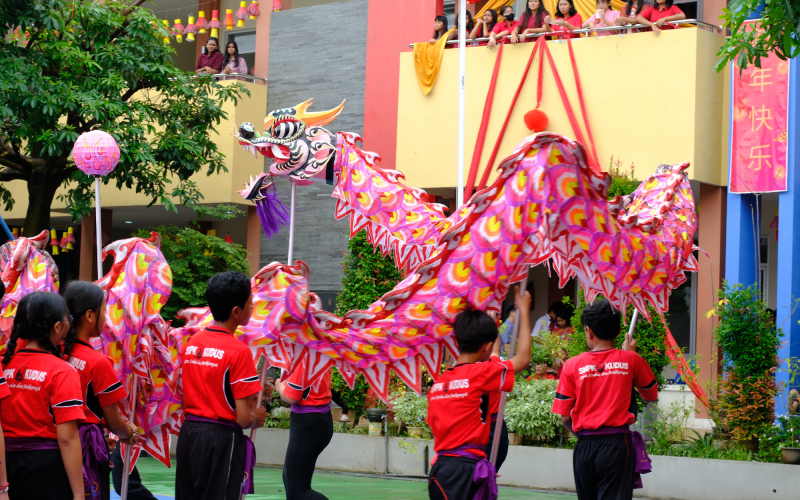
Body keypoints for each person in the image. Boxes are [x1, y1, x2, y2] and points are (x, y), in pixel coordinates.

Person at [427, 287, 532, 500]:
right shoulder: (481, 374)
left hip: (439, 470)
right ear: (486, 347)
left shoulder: (438, 384)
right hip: (464, 472)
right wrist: (524, 310)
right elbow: (523, 359)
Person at [552, 299, 659, 500]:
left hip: (584, 445)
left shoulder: (572, 365)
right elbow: (650, 395)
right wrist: (631, 358)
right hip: (617, 445)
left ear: (588, 331)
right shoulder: (632, 360)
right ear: (619, 330)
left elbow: (565, 417)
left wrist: (583, 437)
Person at [175, 271, 267, 500]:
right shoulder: (239, 351)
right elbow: (243, 419)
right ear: (236, 311)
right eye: (250, 302)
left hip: (188, 435)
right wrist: (256, 416)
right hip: (220, 440)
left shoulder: (192, 343)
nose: (253, 307)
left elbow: (191, 395)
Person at [1, 292, 85, 500]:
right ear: (57, 327)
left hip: (5, 465)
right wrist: (79, 494)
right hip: (46, 470)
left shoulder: (3, 366)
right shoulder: (63, 371)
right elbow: (67, 439)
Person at [62, 281, 138, 500]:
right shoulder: (98, 362)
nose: (105, 318)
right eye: (103, 311)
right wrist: (129, 433)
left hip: (55, 446)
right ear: (89, 315)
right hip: (85, 451)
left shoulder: (55, 353)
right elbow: (114, 423)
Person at [274, 364, 333, 500]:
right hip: (316, 420)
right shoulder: (319, 354)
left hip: (309, 423)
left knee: (298, 490)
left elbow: (292, 396)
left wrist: (280, 386)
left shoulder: (303, 357)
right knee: (291, 481)